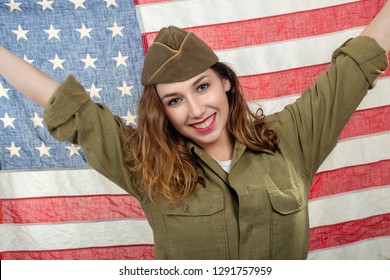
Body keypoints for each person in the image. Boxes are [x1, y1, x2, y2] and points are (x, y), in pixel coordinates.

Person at [0, 3, 389, 260]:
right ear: (163, 112)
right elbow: (68, 107)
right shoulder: (145, 162)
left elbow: (355, 65)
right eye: (175, 100)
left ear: (226, 83)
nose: (196, 110)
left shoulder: (291, 138)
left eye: (202, 87)